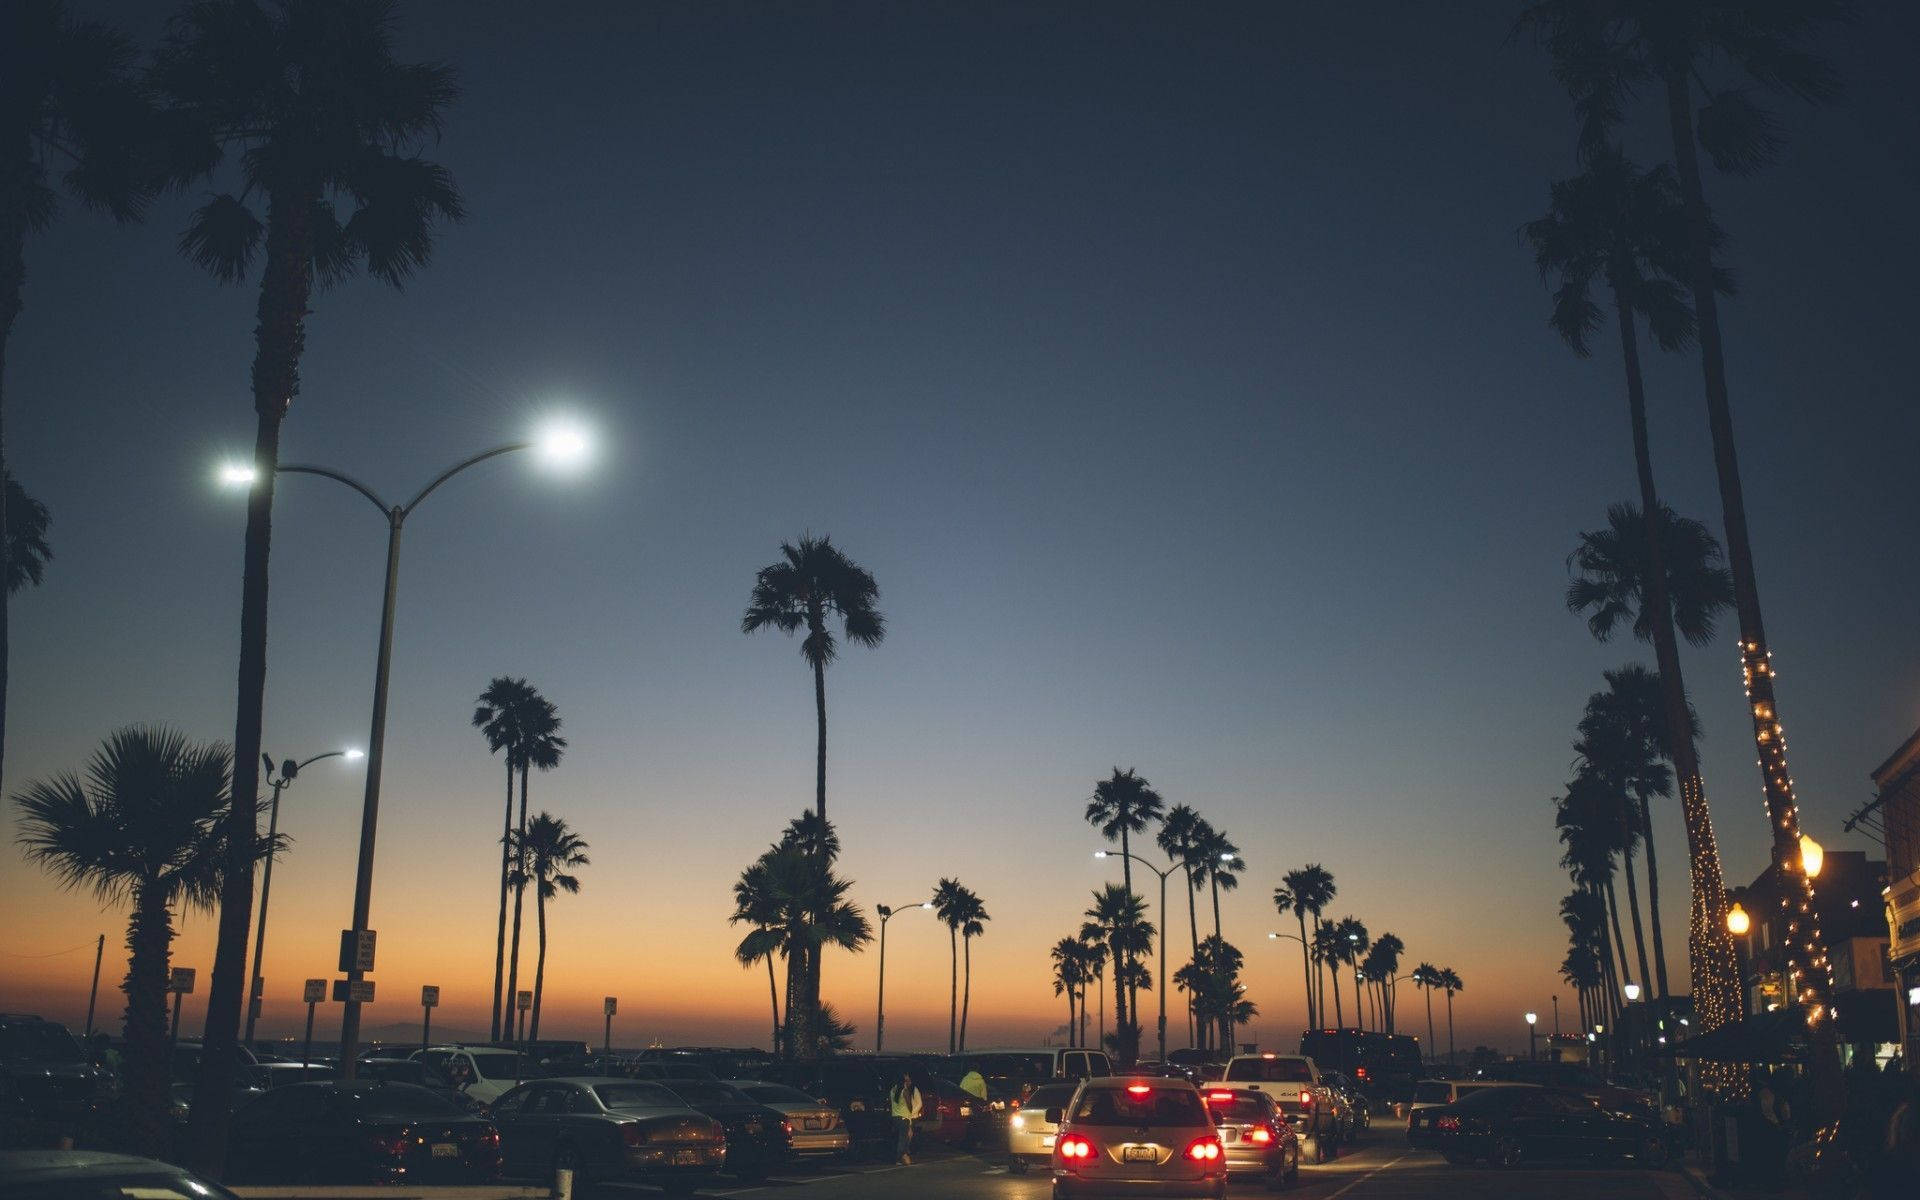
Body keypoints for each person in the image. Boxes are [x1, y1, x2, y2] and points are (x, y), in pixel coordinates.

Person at [889, 1070, 923, 1165]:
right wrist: (910, 1120)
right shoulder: (905, 1091)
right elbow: (909, 1107)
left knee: (901, 1137)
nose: (908, 1082)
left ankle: (900, 1158)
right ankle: (901, 1157)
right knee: (904, 1138)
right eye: (906, 1080)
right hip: (904, 1117)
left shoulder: (893, 1090)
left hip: (895, 1116)